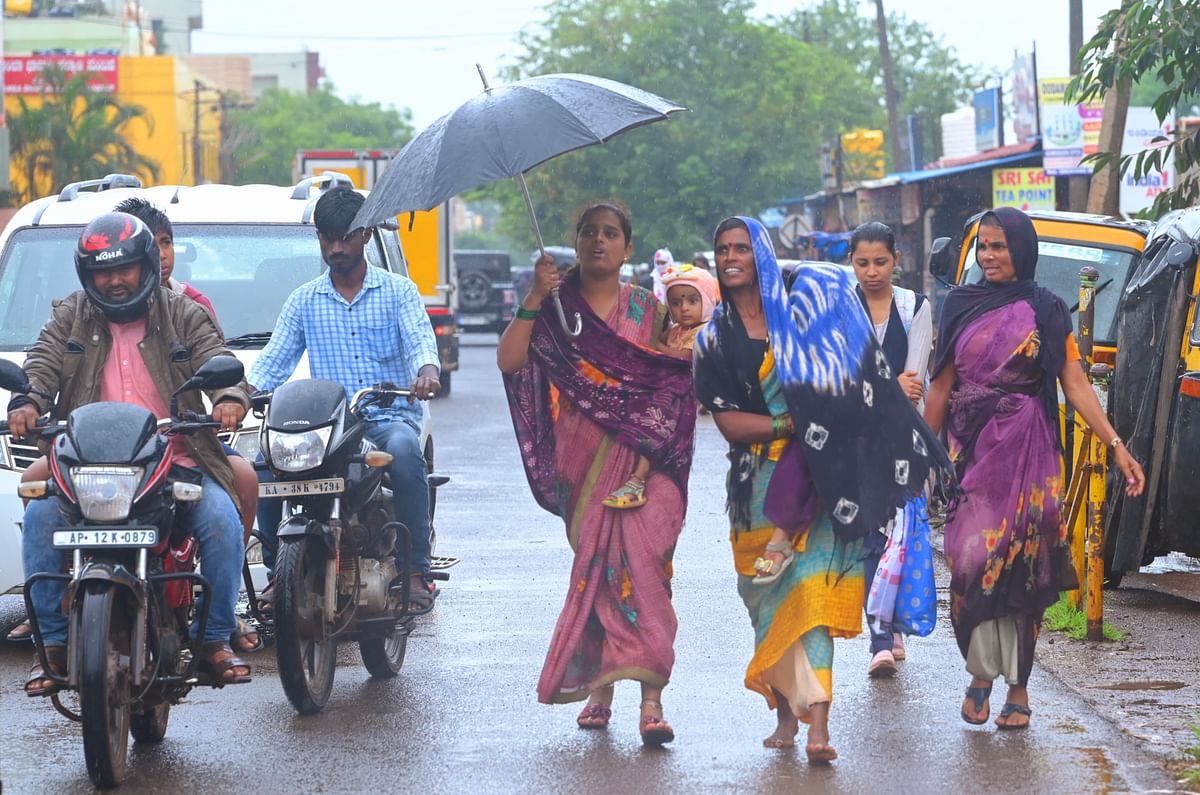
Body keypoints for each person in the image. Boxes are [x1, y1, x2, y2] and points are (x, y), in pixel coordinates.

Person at [694, 216, 947, 762]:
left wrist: (835, 429)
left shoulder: (807, 327)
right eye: (723, 249)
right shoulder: (711, 338)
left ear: (761, 255)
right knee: (766, 603)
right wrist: (795, 427)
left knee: (812, 600)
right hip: (754, 489)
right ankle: (788, 715)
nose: (732, 256)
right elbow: (730, 424)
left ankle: (819, 726)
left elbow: (856, 392)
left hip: (825, 481)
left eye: (743, 247)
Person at [7, 198, 265, 653]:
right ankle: (50, 639)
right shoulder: (70, 314)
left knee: (222, 520)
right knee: (42, 513)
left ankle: (215, 635)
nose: (115, 280)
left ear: (145, 265)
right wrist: (28, 401)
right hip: (85, 464)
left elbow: (218, 360)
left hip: (176, 458)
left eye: (124, 268)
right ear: (87, 277)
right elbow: (42, 362)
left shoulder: (184, 312)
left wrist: (227, 399)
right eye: (102, 272)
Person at [924, 207, 1146, 730]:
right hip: (970, 452)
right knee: (970, 561)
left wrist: (1115, 443)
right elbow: (940, 384)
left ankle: (1017, 687)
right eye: (982, 246)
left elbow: (1074, 382)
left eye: (999, 246)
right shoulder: (960, 302)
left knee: (1026, 565)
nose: (988, 256)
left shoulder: (1046, 308)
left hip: (1029, 447)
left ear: (1021, 249)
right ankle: (980, 672)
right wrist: (919, 451)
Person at [497, 202, 696, 747]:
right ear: (575, 241)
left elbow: (673, 383)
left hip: (647, 464)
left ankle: (651, 698)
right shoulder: (558, 307)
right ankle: (601, 691)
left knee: (646, 565)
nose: (599, 242)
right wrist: (536, 298)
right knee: (601, 570)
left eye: (611, 234)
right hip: (581, 463)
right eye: (589, 233)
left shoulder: (648, 309)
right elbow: (510, 362)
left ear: (628, 248)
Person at [248, 188, 442, 612]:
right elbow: (273, 361)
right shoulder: (304, 301)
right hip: (327, 427)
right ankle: (277, 575)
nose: (336, 248)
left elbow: (420, 342)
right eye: (327, 238)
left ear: (367, 233)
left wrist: (426, 372)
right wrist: (240, 393)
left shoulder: (399, 292)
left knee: (408, 454)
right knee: (264, 464)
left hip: (387, 419)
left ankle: (415, 572)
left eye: (345, 237)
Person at [849, 221, 934, 677]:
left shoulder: (913, 307)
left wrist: (877, 390)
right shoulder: (842, 308)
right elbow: (838, 383)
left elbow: (915, 384)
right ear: (852, 263)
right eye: (862, 262)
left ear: (896, 260)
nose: (872, 271)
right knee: (870, 536)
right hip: (857, 442)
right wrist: (887, 387)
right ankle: (879, 637)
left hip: (905, 441)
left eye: (880, 261)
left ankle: (894, 623)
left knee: (901, 534)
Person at [603, 262, 718, 509]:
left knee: (656, 424)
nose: (683, 308)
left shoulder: (705, 332)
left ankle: (636, 480)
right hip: (663, 388)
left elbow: (684, 359)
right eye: (676, 303)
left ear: (707, 301)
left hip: (682, 395)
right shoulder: (676, 330)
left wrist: (655, 347)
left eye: (691, 301)